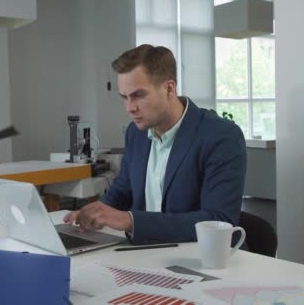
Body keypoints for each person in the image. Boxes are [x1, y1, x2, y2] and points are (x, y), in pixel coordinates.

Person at [64, 44, 247, 244]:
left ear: (169, 88)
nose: (130, 108)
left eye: (138, 95)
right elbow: (123, 190)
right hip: (148, 253)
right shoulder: (136, 133)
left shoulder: (221, 136)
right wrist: (93, 213)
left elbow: (218, 220)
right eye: (124, 97)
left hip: (204, 259)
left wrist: (130, 221)